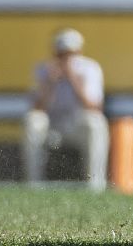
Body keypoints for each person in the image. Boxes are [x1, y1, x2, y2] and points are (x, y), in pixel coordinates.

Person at [21, 28, 108, 191]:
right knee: (32, 121)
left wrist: (73, 78)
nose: (66, 59)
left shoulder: (90, 68)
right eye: (62, 54)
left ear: (79, 51)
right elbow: (36, 108)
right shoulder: (43, 70)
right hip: (52, 127)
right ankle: (33, 185)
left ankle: (96, 186)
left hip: (76, 126)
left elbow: (95, 107)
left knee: (96, 123)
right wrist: (50, 81)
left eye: (70, 54)